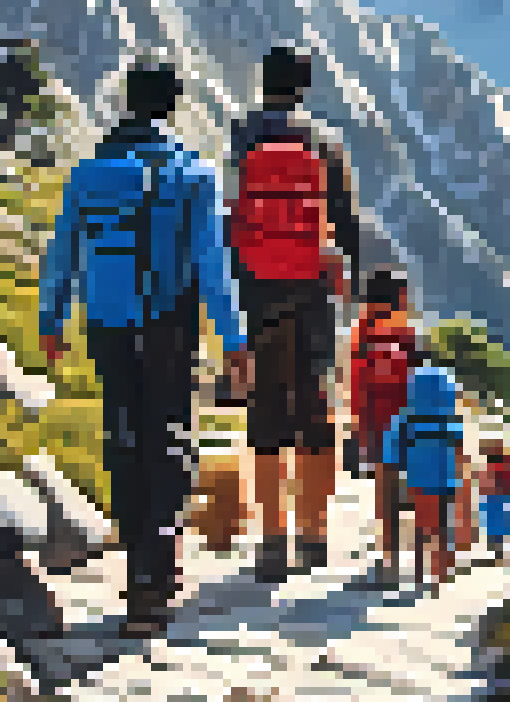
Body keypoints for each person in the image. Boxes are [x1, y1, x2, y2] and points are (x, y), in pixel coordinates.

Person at [39, 61, 252, 638]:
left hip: (105, 321)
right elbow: (212, 264)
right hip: (168, 324)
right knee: (170, 441)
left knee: (124, 438)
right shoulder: (193, 173)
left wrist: (51, 320)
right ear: (173, 106)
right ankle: (154, 582)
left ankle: (137, 572)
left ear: (128, 103)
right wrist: (233, 339)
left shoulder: (90, 171)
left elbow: (63, 251)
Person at [228, 45, 362, 583]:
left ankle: (271, 540)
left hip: (256, 289)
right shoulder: (324, 141)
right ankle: (314, 534)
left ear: (264, 83)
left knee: (263, 413)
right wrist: (349, 285)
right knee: (314, 413)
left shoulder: (242, 137)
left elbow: (231, 215)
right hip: (313, 292)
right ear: (305, 87)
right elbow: (345, 223)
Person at [349, 270, 422, 585]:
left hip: (377, 422)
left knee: (387, 493)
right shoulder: (407, 330)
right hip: (412, 421)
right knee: (419, 491)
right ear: (400, 297)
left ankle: (389, 560)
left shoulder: (363, 332)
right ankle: (422, 562)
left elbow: (357, 382)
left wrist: (359, 427)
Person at [380, 363, 474, 593]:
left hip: (418, 482)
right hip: (445, 484)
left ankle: (420, 570)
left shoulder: (405, 420)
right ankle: (439, 572)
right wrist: (463, 485)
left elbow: (391, 453)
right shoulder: (450, 422)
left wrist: (393, 473)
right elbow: (460, 455)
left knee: (422, 528)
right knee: (441, 527)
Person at [477, 437, 510, 568]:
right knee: (496, 527)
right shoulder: (500, 465)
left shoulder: (498, 465)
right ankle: (498, 555)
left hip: (495, 498)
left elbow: (487, 483)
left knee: (496, 527)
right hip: (495, 498)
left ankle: (499, 555)